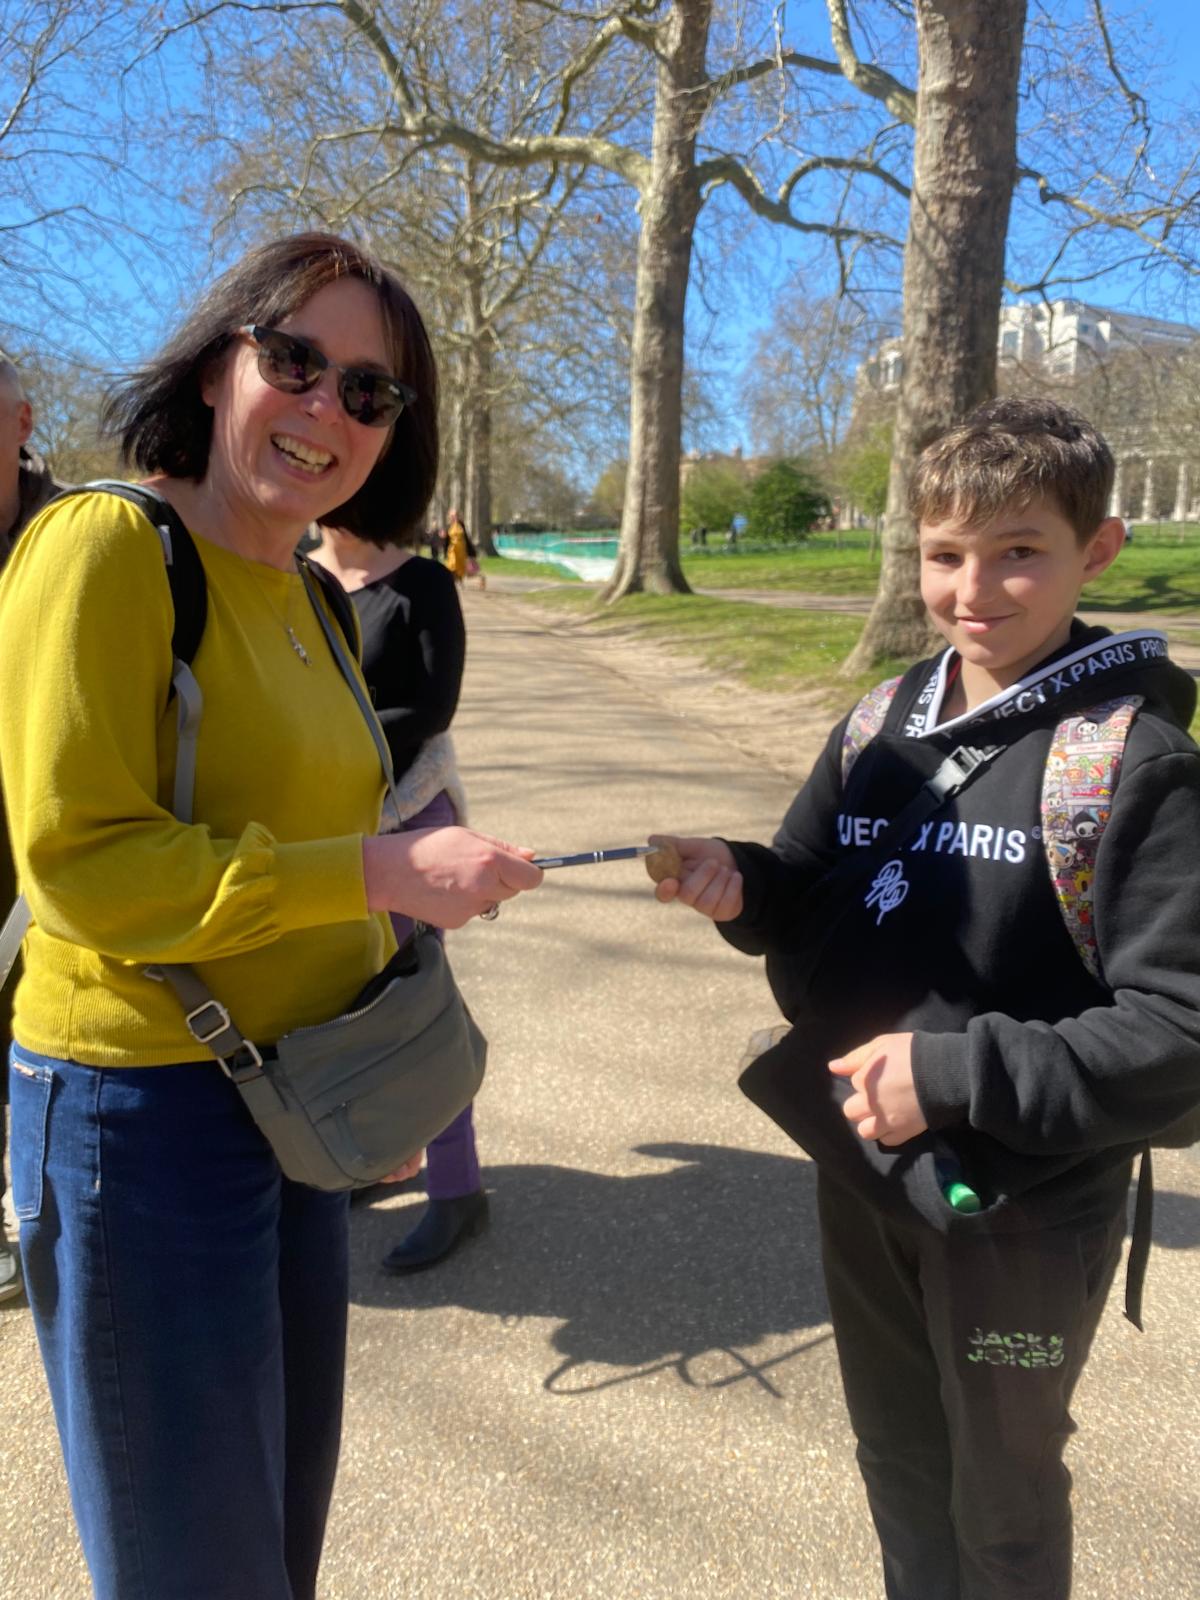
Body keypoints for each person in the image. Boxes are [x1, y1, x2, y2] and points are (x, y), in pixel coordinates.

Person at [0, 232, 543, 1600]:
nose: (324, 409)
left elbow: (333, 826)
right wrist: (377, 875)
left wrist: (389, 993)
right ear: (216, 364)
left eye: (368, 392)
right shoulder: (106, 546)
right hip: (141, 1116)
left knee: (277, 1533)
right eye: (294, 360)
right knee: (193, 1559)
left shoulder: (309, 590)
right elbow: (82, 864)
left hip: (298, 1110)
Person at [652, 397, 1200, 1600]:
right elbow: (813, 890)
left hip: (1026, 1207)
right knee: (897, 1455)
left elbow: (1179, 1031)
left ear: (1098, 550)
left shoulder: (1130, 761)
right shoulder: (881, 721)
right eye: (946, 553)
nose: (974, 589)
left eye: (1020, 551)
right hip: (863, 1162)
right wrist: (740, 880)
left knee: (1002, 1498)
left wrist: (951, 1073)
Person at [310, 521, 489, 1270]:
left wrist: (316, 750)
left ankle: (456, 1188)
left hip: (407, 815)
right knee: (340, 1008)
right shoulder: (288, 573)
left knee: (412, 1007)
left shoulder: (422, 584)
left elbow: (430, 709)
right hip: (314, 828)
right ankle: (376, 1161)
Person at [0, 356, 66, 1304]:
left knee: (41, 1047)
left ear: (20, 422)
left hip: (53, 846)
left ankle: (43, 1218)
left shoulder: (77, 536)